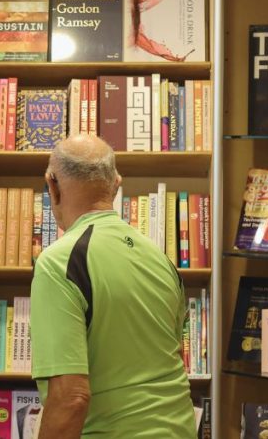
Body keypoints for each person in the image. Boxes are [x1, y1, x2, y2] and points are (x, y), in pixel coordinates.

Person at [30, 134, 195, 438]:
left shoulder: (59, 262)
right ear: (116, 184)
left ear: (51, 185)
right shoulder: (161, 259)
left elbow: (71, 399)